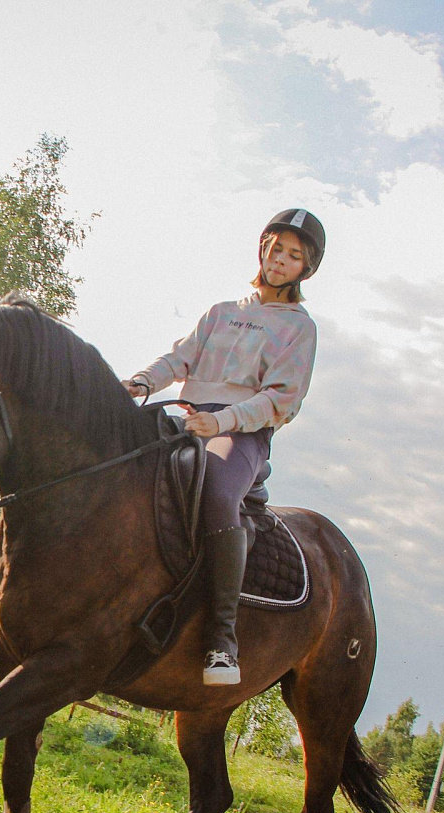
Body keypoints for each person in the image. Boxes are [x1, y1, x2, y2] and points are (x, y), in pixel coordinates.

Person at [123, 209, 324, 685]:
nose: (281, 260)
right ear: (263, 247)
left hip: (243, 434)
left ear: (305, 268)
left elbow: (282, 398)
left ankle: (222, 639)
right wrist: (141, 382)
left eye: (293, 256)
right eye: (276, 248)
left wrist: (224, 421)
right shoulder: (221, 312)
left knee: (215, 491)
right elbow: (180, 358)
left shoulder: (300, 327)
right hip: (191, 419)